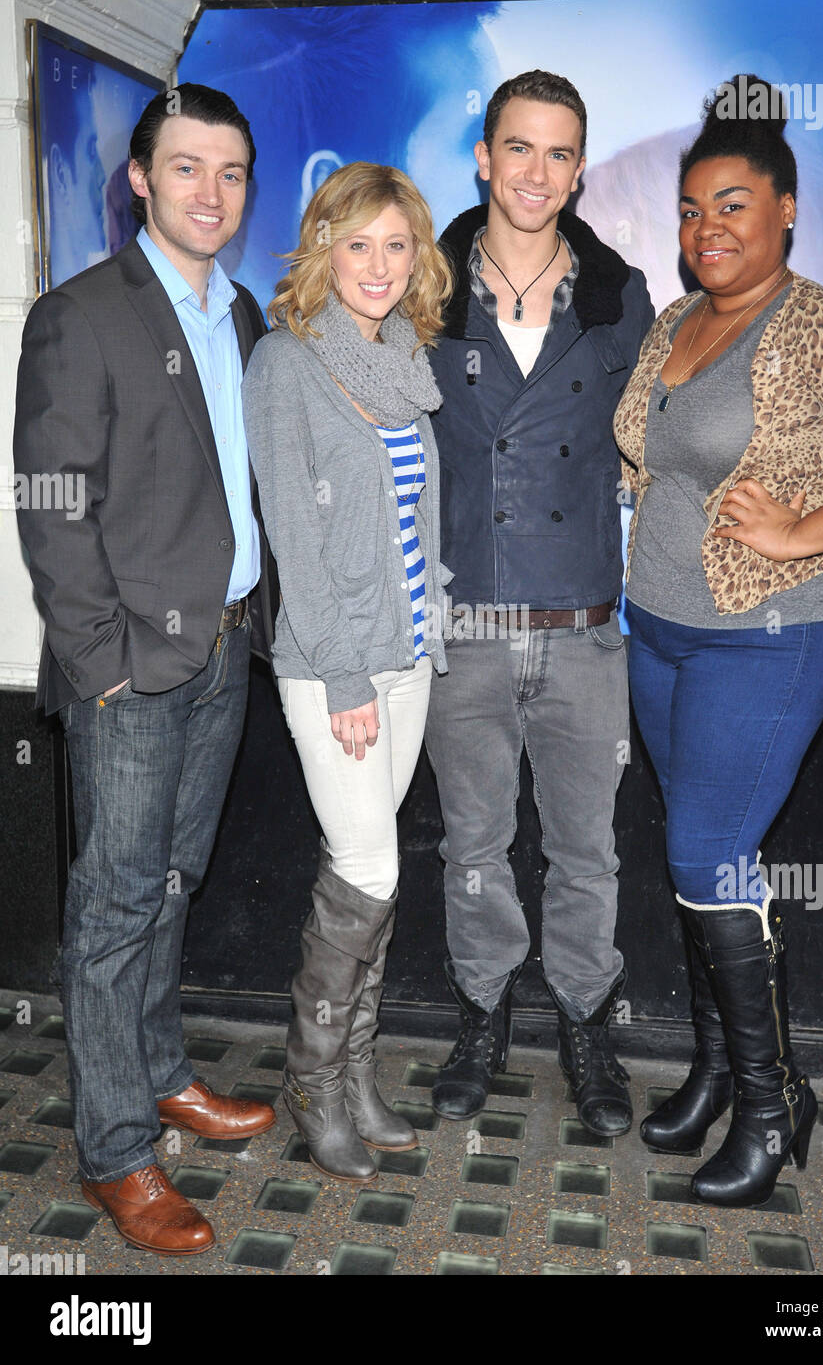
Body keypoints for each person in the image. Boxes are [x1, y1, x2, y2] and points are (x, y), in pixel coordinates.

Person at [614, 74, 823, 1207]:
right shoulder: (673, 319)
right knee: (692, 854)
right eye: (692, 209)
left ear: (786, 210)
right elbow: (643, 449)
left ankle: (772, 1105)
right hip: (656, 628)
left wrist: (806, 526)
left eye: (733, 206)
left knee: (709, 850)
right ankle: (715, 1072)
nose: (707, 228)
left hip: (765, 637)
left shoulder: (818, 327)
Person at [13, 84, 278, 1256]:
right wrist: (101, 664)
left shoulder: (246, 316)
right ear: (139, 180)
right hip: (133, 664)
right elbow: (51, 500)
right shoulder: (82, 314)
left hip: (225, 646)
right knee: (115, 904)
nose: (209, 192)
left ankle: (164, 1071)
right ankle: (118, 1150)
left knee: (174, 879)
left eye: (229, 173)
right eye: (185, 170)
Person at [424, 70, 655, 1136]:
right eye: (518, 148)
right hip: (463, 626)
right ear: (482, 156)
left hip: (580, 627)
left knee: (585, 850)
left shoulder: (618, 297)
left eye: (559, 154)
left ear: (577, 167)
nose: (537, 173)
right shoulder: (418, 289)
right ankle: (481, 1014)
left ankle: (582, 1020)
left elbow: (656, 447)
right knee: (470, 848)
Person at [242, 163, 453, 1184]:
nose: (376, 264)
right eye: (354, 241)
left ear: (417, 257)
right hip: (339, 664)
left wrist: (431, 614)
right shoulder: (286, 364)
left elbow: (413, 517)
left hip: (410, 648)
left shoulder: (406, 361)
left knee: (377, 863)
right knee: (365, 867)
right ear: (321, 248)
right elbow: (292, 532)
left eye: (394, 243)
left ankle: (357, 1074)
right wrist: (344, 676)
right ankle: (313, 1082)